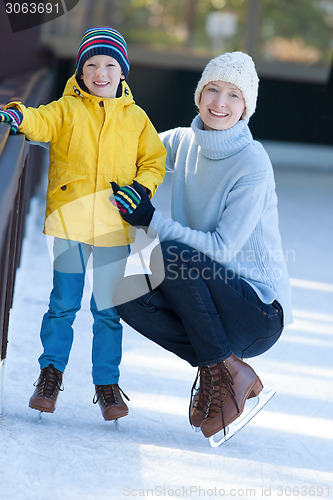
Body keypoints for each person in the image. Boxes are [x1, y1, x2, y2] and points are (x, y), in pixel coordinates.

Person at [110, 51, 293, 440]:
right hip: (204, 296)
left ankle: (224, 369)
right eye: (212, 89)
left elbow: (222, 248)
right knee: (123, 289)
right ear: (199, 94)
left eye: (233, 95)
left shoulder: (252, 163)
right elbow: (116, 156)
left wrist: (150, 219)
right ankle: (224, 370)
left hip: (256, 313)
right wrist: (46, 134)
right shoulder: (182, 141)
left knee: (165, 249)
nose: (220, 103)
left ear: (246, 107)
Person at [0, 27, 166, 421]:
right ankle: (50, 374)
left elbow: (154, 162)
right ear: (80, 70)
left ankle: (107, 384)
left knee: (109, 309)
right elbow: (40, 121)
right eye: (91, 65)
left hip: (114, 227)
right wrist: (18, 115)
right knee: (63, 305)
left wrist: (141, 190)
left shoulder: (137, 120)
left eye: (110, 65)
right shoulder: (66, 108)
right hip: (70, 224)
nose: (101, 72)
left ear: (123, 72)